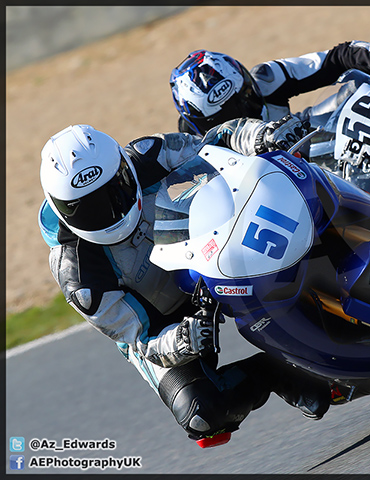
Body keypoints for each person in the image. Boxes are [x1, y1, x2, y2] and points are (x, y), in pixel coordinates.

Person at [37, 120, 329, 448]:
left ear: (123, 168)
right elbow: (140, 340)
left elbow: (216, 143)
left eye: (112, 192)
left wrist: (260, 135)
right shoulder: (78, 276)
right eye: (87, 210)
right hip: (163, 323)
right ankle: (278, 371)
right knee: (201, 414)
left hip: (206, 253)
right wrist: (183, 340)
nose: (108, 212)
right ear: (62, 211)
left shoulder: (149, 155)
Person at [169, 37, 370, 137]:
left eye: (245, 98)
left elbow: (335, 59)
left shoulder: (267, 78)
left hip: (300, 140)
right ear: (201, 124)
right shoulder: (191, 150)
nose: (244, 114)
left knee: (355, 92)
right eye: (227, 116)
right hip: (265, 200)